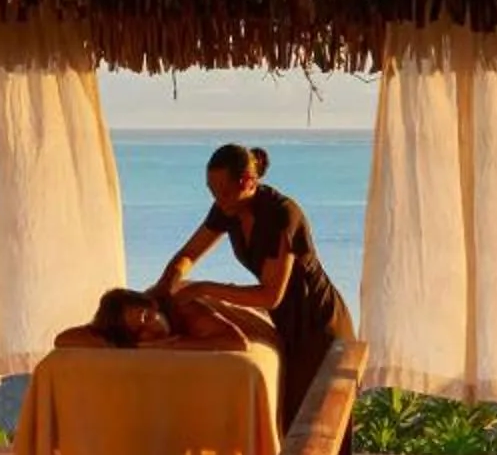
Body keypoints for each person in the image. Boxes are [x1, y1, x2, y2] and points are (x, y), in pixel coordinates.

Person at [149, 143, 352, 430]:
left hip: (319, 325)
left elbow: (270, 296)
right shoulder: (227, 207)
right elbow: (189, 254)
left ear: (247, 182)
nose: (218, 200)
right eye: (212, 191)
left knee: (314, 430)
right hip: (288, 325)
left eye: (223, 191)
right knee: (289, 425)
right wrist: (162, 290)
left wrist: (203, 288)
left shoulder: (281, 214)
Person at [55, 285, 252, 352]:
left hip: (245, 313)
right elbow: (63, 339)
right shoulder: (128, 334)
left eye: (148, 317)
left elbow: (238, 343)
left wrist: (171, 345)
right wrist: (130, 345)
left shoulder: (185, 307)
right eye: (139, 333)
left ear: (153, 305)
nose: (151, 331)